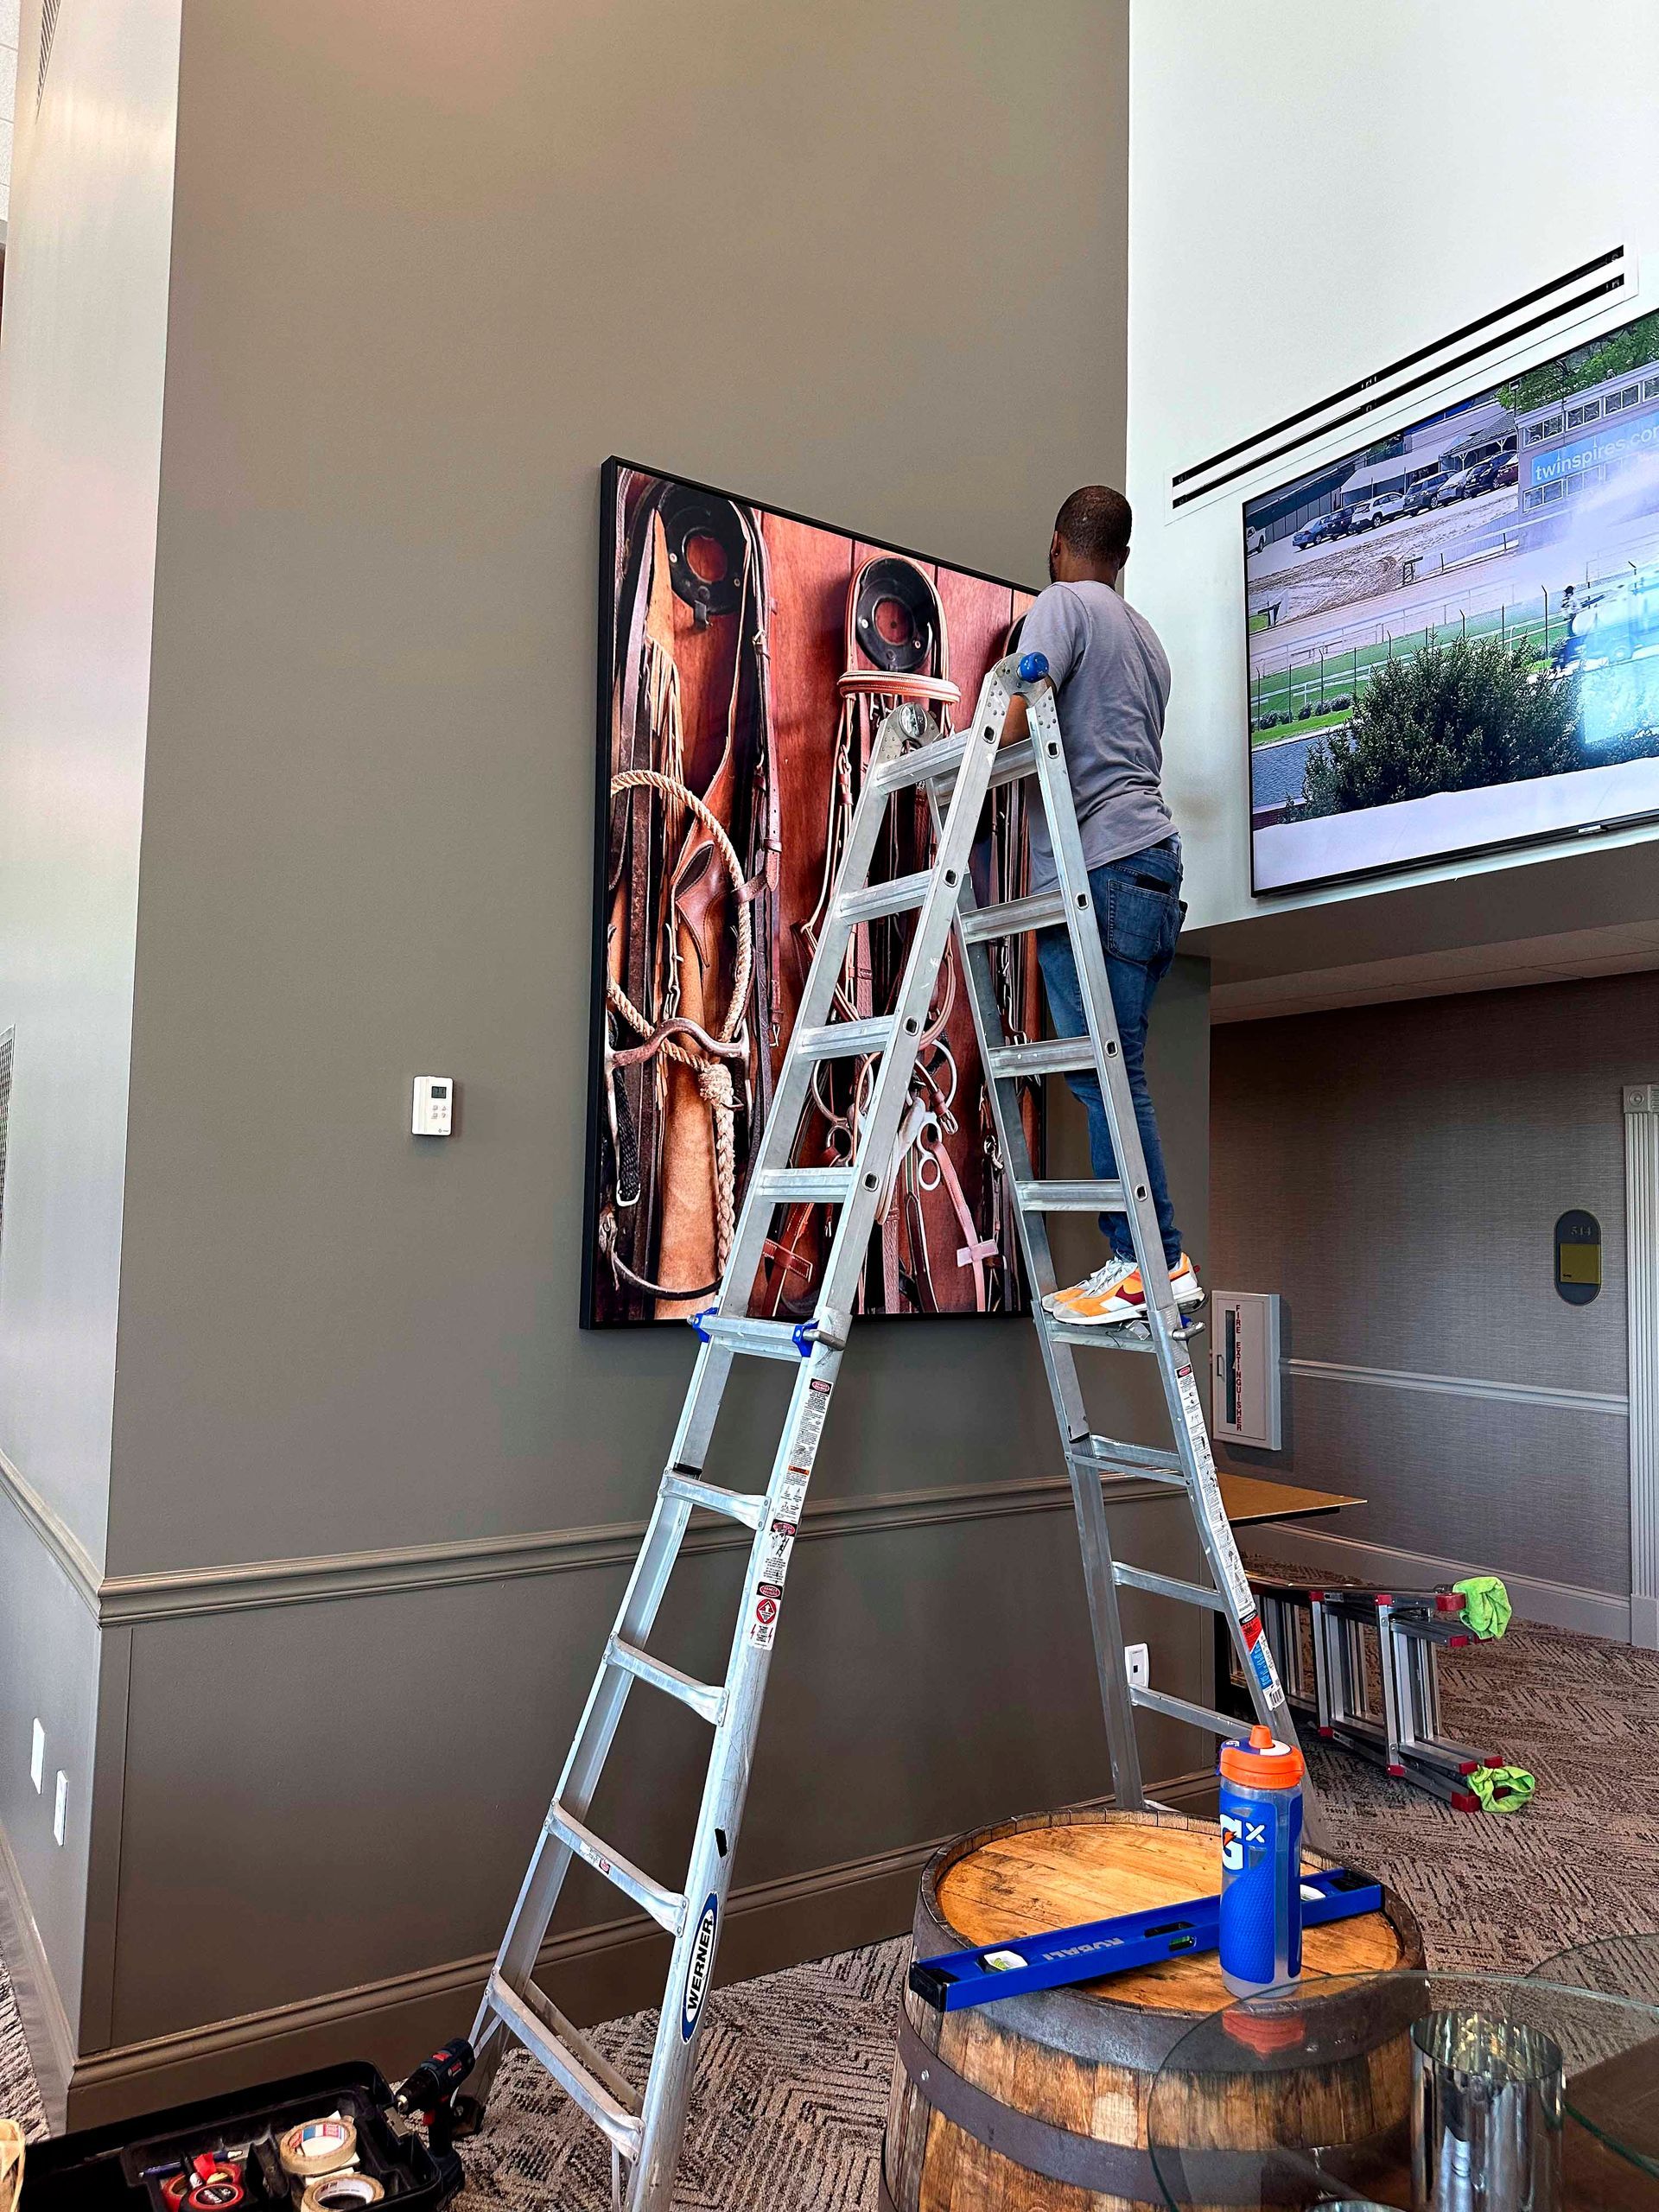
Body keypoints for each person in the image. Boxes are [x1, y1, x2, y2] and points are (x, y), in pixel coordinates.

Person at [1001, 485, 1202, 1326]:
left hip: (1102, 870)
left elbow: (1013, 725)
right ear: (1122, 557)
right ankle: (1145, 1260)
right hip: (1154, 870)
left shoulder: (1058, 607)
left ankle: (1147, 1260)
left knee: (1107, 1076)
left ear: (1059, 545)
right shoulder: (1147, 641)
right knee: (1116, 1074)